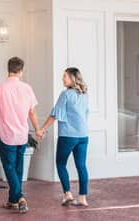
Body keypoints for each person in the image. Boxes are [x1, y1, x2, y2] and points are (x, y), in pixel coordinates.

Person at [0, 57, 42, 214]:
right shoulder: (27, 88)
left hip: (7, 136)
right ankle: (12, 201)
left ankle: (20, 197)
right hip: (22, 135)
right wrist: (37, 129)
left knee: (8, 167)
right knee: (18, 168)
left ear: (8, 69)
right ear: (21, 71)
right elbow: (32, 112)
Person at [40, 67, 90, 207]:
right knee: (81, 166)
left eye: (65, 76)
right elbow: (85, 114)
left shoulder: (66, 94)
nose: (63, 79)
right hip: (83, 136)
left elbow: (55, 114)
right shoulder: (84, 94)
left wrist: (42, 129)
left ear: (73, 79)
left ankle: (67, 194)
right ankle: (82, 198)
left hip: (68, 136)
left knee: (61, 164)